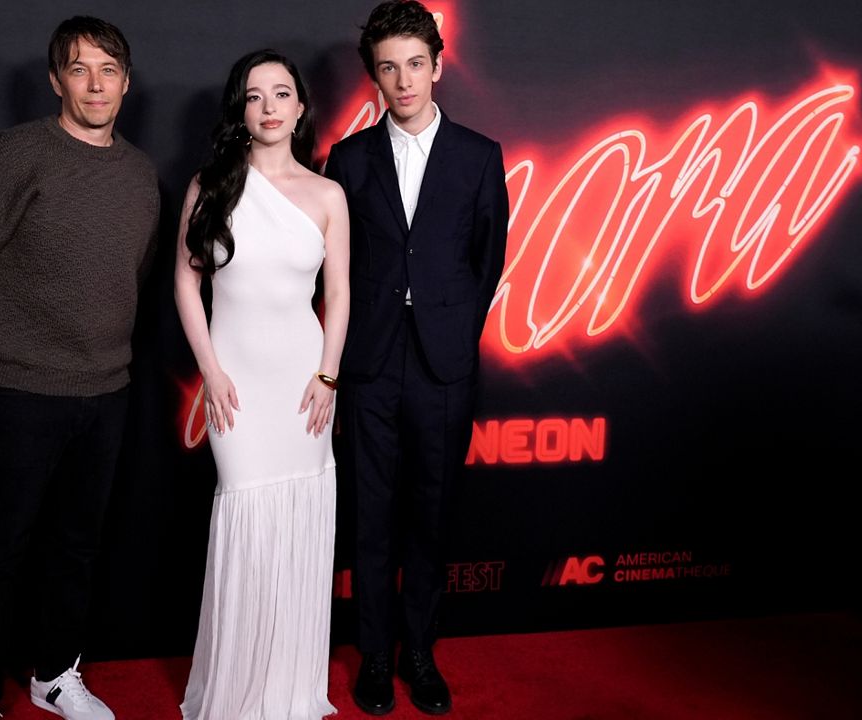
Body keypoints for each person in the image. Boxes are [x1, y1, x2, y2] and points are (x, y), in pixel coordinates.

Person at [0, 16, 160, 720]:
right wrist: (2, 349)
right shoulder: (17, 153)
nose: (96, 84)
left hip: (108, 391)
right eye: (81, 69)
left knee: (78, 545)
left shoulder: (140, 173)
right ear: (57, 78)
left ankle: (56, 675)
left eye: (109, 70)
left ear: (126, 82)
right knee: (0, 547)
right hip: (22, 390)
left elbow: (130, 276)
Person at [323, 1, 509, 715]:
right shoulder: (347, 158)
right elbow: (334, 267)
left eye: (414, 64)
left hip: (442, 362)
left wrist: (453, 329)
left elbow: (485, 262)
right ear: (374, 75)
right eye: (387, 67)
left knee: (431, 514)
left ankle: (420, 654)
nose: (402, 80)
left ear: (438, 65)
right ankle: (373, 657)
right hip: (370, 362)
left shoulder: (479, 156)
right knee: (370, 514)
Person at [174, 49, 350, 720]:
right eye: (255, 95)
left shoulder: (328, 194)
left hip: (305, 381)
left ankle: (289, 690)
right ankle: (238, 692)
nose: (270, 106)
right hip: (236, 383)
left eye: (282, 93)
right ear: (240, 110)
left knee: (301, 521)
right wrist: (211, 371)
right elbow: (186, 283)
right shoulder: (210, 185)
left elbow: (339, 294)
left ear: (301, 108)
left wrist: (329, 375)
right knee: (246, 515)